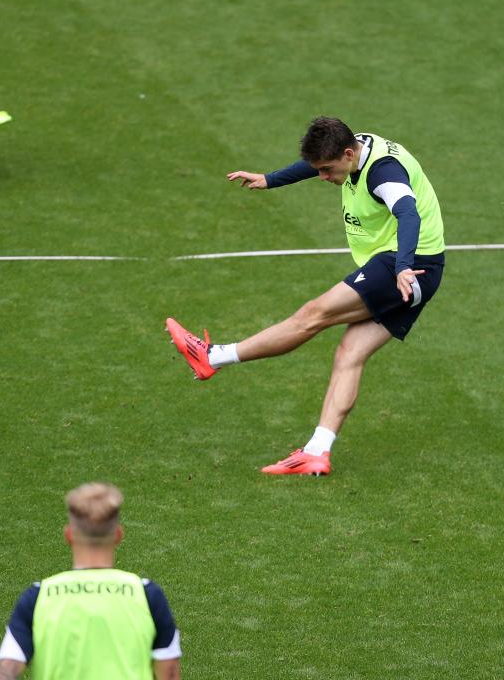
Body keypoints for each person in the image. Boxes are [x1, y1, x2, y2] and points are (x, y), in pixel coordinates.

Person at [166, 116, 445, 476]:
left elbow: (407, 212)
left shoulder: (383, 173)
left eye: (327, 170)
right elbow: (314, 162)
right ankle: (317, 452)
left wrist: (403, 266)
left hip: (405, 265)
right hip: (420, 270)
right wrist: (270, 179)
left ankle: (213, 357)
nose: (323, 177)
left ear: (348, 153)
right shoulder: (354, 146)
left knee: (313, 315)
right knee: (349, 354)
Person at [0, 483, 182, 680]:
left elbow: (7, 672)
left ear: (68, 535)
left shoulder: (38, 597)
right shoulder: (147, 596)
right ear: (118, 535)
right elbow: (169, 675)